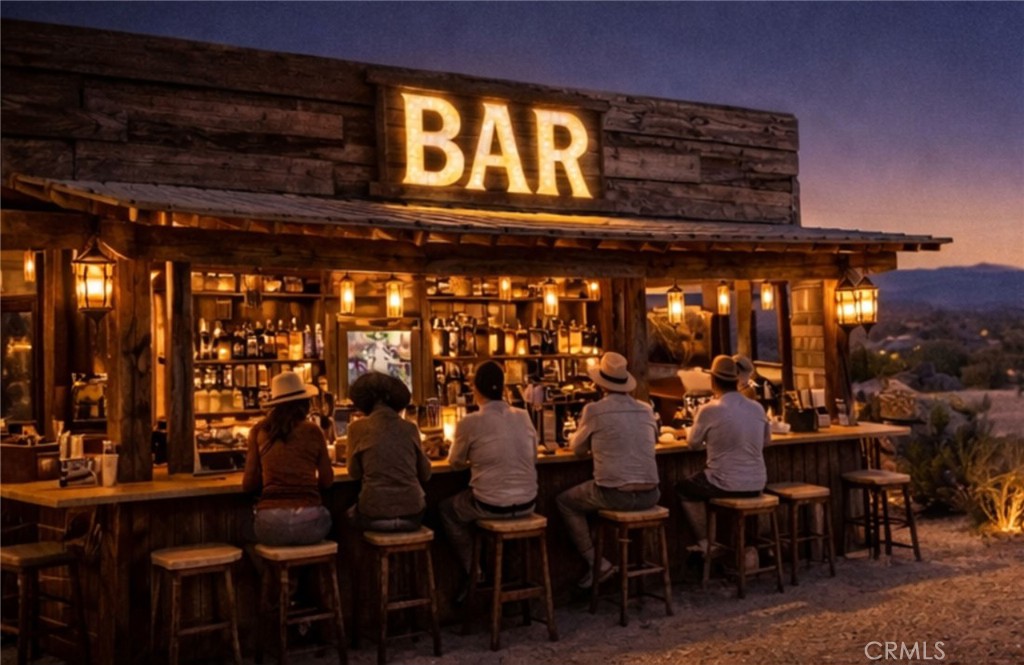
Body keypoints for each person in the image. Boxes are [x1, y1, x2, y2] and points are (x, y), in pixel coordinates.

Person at [556, 352, 660, 589]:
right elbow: (652, 441)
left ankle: (598, 563)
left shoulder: (594, 410)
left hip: (615, 494)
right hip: (651, 495)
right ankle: (638, 572)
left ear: (599, 384)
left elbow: (577, 450)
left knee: (565, 502)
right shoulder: (645, 409)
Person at [439, 361, 538, 596]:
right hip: (529, 504)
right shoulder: (523, 416)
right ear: (503, 388)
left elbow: (454, 463)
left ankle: (475, 572)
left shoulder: (469, 422)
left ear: (476, 389)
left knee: (446, 510)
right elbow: (534, 456)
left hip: (491, 506)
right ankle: (511, 577)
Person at [676, 355, 770, 549]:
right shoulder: (757, 408)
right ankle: (751, 547)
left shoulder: (708, 410)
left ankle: (706, 543)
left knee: (683, 488)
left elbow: (692, 444)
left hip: (725, 483)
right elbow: (766, 441)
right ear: (736, 380)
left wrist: (713, 441)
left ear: (712, 381)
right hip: (757, 483)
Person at [242, 370, 334, 546]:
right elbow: (327, 481)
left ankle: (272, 572)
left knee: (245, 532)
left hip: (271, 524)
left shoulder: (258, 431)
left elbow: (248, 485)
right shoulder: (314, 431)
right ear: (305, 403)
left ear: (274, 405)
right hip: (310, 523)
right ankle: (308, 572)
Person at [346, 371, 431, 531]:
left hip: (374, 514)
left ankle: (364, 556)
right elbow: (425, 474)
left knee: (346, 517)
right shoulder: (410, 428)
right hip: (413, 514)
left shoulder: (356, 428)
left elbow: (353, 473)